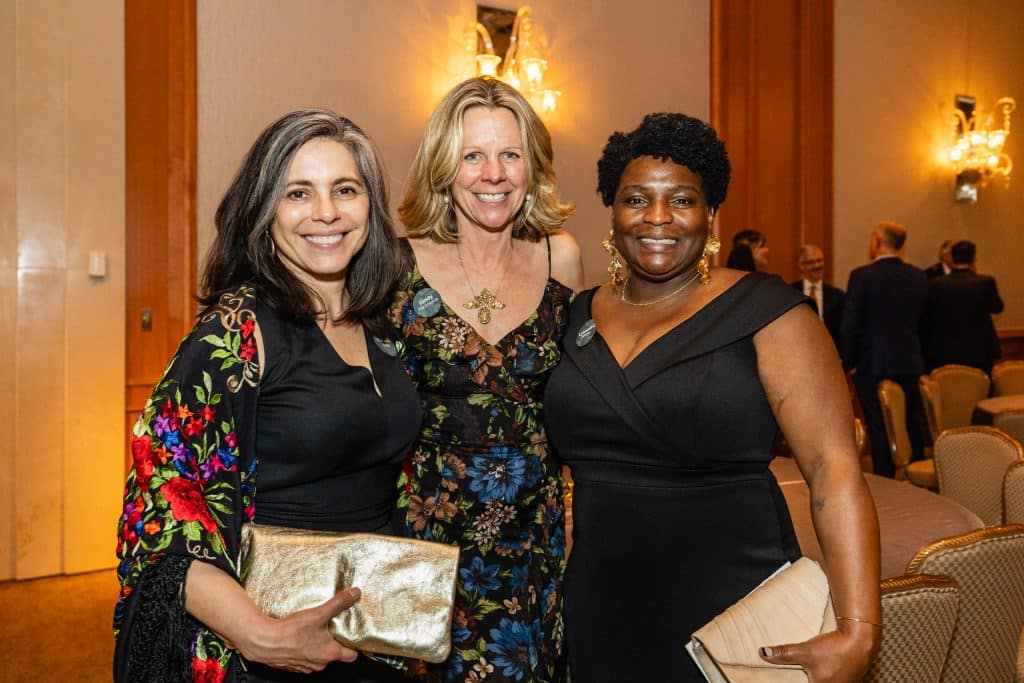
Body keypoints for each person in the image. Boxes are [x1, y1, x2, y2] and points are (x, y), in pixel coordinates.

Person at [544, 113, 881, 681]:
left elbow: (833, 468)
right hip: (600, 605)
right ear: (612, 212)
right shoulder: (575, 315)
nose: (657, 217)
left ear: (711, 214)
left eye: (681, 200)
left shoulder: (770, 312)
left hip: (734, 614)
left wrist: (859, 628)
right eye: (635, 199)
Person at [114, 109, 420, 682]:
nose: (325, 212)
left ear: (370, 207)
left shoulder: (383, 326)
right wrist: (259, 635)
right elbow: (159, 508)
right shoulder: (237, 331)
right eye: (297, 193)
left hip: (374, 633)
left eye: (345, 189)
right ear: (263, 212)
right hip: (267, 646)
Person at [390, 77, 584, 682]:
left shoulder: (561, 257)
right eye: (472, 155)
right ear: (444, 167)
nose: (493, 174)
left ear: (532, 167)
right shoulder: (396, 264)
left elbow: (580, 398)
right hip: (426, 542)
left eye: (509, 155)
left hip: (534, 543)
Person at [841, 221, 928, 477]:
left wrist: (848, 362)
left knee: (878, 425)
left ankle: (885, 480)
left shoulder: (862, 276)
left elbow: (850, 325)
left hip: (872, 362)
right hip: (909, 360)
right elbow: (925, 321)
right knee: (910, 421)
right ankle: (918, 476)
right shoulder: (917, 276)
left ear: (878, 241)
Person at [920, 239, 1004, 373]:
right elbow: (997, 308)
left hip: (944, 348)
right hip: (979, 348)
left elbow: (927, 313)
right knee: (980, 384)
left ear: (952, 258)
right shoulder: (985, 282)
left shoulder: (936, 283)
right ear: (974, 259)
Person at [790, 244, 845, 357]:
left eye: (819, 260)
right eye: (811, 262)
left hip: (829, 355)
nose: (817, 265)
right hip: (797, 353)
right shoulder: (790, 293)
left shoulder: (838, 296)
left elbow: (842, 331)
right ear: (801, 266)